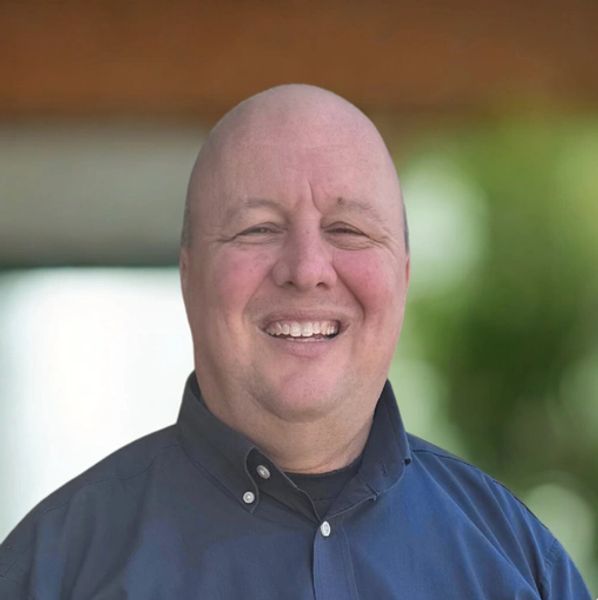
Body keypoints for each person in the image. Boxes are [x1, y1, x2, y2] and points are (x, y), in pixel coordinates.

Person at [0, 85, 591, 599]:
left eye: (348, 230)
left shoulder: (520, 566)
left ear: (403, 276)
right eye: (258, 228)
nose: (307, 269)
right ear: (189, 276)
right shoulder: (51, 571)